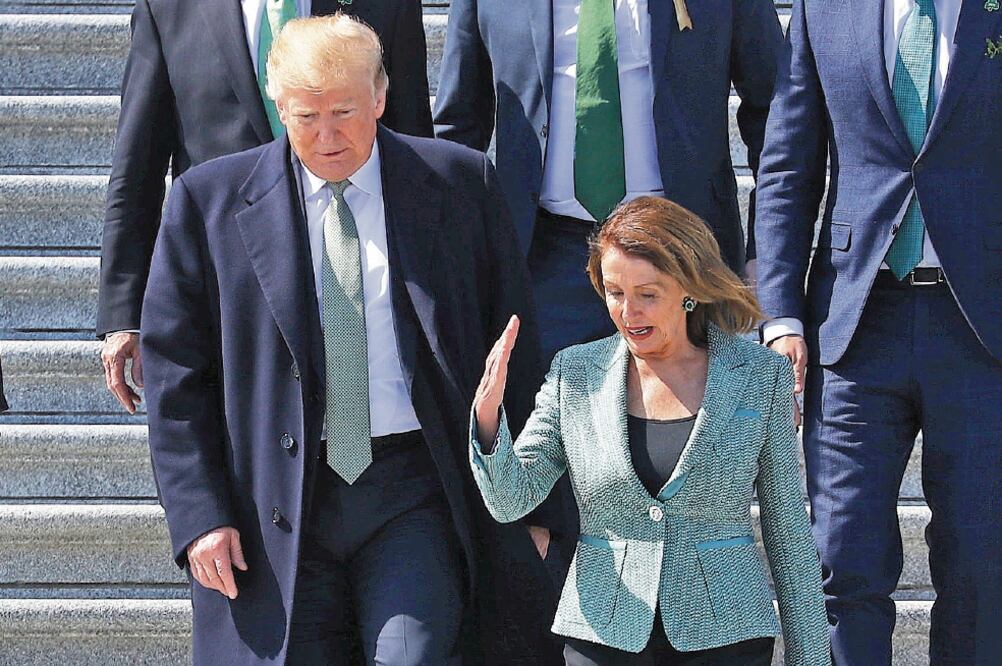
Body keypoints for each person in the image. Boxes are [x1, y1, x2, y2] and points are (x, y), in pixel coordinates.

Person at [141, 15, 553, 664]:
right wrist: (199, 515)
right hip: (275, 505)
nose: (327, 136)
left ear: (382, 97)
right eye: (306, 117)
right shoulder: (208, 202)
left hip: (412, 489)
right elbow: (175, 376)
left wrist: (533, 501)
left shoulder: (457, 183)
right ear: (278, 108)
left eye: (344, 111)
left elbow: (513, 345)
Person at [469, 197, 831, 665]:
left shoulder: (760, 377)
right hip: (603, 630)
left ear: (689, 289)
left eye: (648, 294)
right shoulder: (574, 374)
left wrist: (811, 659)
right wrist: (487, 419)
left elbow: (788, 534)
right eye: (615, 292)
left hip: (726, 634)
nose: (628, 312)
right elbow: (510, 501)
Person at [754, 1, 1002, 663]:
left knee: (982, 564)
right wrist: (779, 314)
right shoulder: (822, 10)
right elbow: (784, 169)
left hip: (981, 332)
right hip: (855, 327)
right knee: (840, 558)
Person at [98, 0, 433, 414]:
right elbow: (138, 166)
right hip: (229, 278)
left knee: (356, 437)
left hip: (351, 264)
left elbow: (414, 145)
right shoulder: (169, 8)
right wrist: (124, 312)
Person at [434, 0, 785, 363]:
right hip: (545, 260)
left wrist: (766, 253)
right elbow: (458, 126)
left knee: (695, 417)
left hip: (682, 251)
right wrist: (451, 256)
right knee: (548, 414)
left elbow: (774, 115)